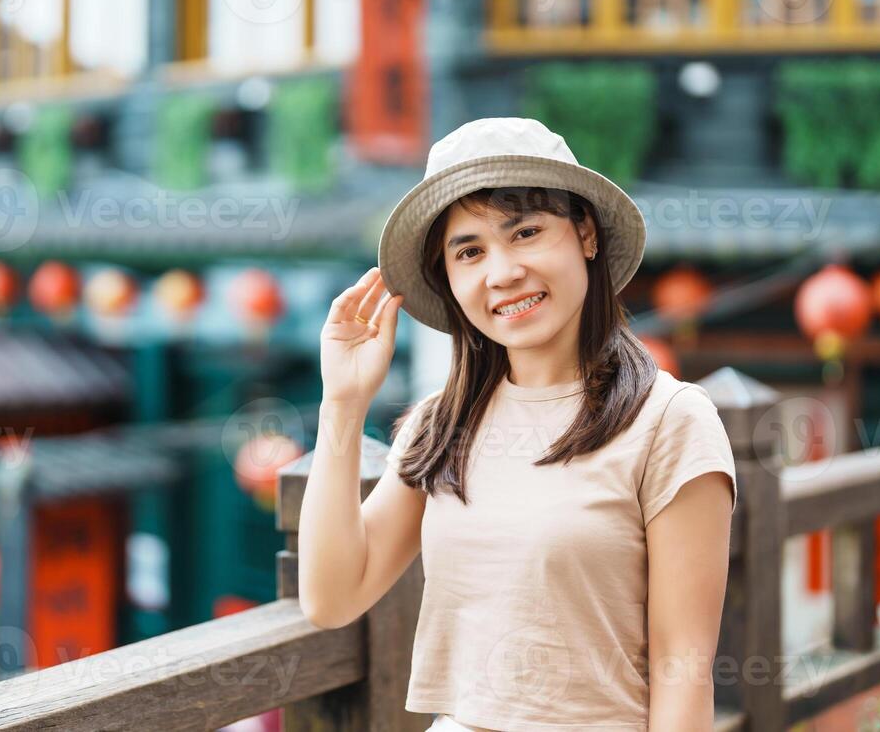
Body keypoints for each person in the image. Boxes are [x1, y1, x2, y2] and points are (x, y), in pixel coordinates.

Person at [297, 117, 737, 732]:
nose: (501, 273)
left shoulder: (669, 422)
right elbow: (332, 596)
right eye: (469, 250)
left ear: (584, 233)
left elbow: (683, 672)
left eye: (526, 232)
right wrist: (341, 405)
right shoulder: (440, 424)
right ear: (448, 278)